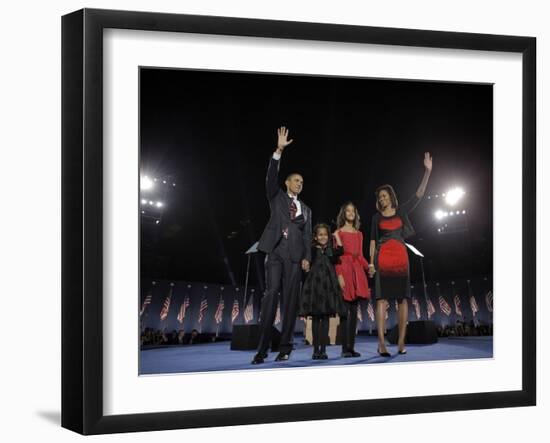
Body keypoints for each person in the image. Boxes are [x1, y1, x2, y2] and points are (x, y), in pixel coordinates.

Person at [252, 127, 312, 364]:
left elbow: (308, 236)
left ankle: (285, 347)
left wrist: (307, 256)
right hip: (275, 252)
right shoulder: (276, 196)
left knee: (290, 302)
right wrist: (279, 150)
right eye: (296, 180)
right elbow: (270, 178)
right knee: (270, 296)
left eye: (302, 182)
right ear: (287, 182)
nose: (300, 183)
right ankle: (262, 348)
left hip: (295, 258)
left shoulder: (306, 210)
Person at [369, 152, 432, 356]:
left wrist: (427, 172)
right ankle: (381, 343)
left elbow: (419, 195)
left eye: (385, 195)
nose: (382, 198)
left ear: (391, 196)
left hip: (400, 259)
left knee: (402, 300)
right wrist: (371, 263)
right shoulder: (375, 218)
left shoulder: (401, 211)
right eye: (380, 197)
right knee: (381, 300)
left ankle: (401, 343)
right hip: (383, 260)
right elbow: (371, 242)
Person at [299, 223, 346, 359]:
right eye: (320, 235)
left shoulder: (331, 250)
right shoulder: (313, 250)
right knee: (315, 318)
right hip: (315, 286)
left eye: (325, 234)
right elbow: (306, 259)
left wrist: (336, 236)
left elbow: (341, 250)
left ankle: (323, 350)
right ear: (315, 236)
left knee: (325, 318)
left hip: (327, 287)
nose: (323, 237)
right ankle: (315, 350)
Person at [333, 202, 371, 357]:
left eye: (353, 211)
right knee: (344, 312)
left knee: (354, 311)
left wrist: (369, 267)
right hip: (344, 270)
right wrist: (339, 275)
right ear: (344, 213)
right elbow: (336, 257)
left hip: (357, 272)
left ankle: (351, 347)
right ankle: (344, 349)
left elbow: (360, 256)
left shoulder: (359, 233)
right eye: (347, 211)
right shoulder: (338, 233)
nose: (350, 213)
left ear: (355, 214)